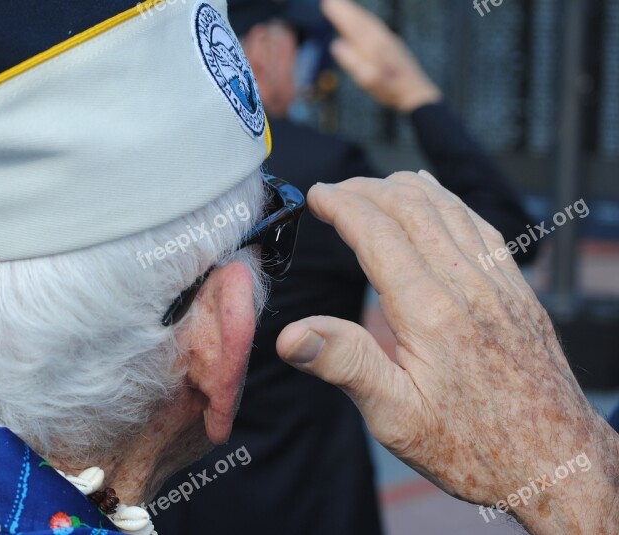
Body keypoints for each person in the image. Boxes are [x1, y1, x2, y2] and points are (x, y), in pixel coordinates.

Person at [0, 2, 616, 535]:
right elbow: (509, 227)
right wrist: (576, 482)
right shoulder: (338, 163)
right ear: (222, 332)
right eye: (273, 227)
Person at [155, 1, 537, 533]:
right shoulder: (323, 172)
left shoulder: (150, 173)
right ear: (263, 49)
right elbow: (503, 236)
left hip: (175, 498)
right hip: (313, 496)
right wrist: (414, 95)